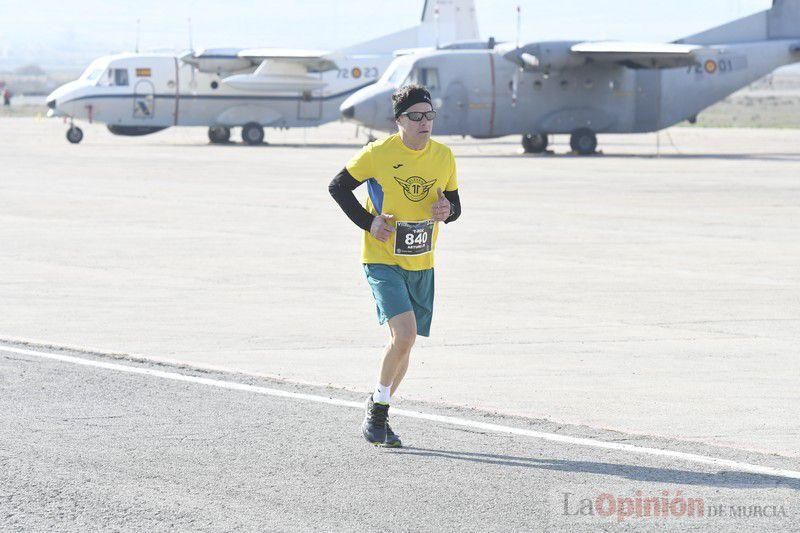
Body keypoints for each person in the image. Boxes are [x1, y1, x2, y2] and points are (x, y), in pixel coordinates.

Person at [328, 84, 461, 447]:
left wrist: (447, 212)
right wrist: (369, 222)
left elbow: (454, 206)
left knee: (405, 343)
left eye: (429, 115)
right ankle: (377, 414)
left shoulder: (444, 156)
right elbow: (338, 186)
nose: (424, 123)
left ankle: (379, 405)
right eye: (416, 116)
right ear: (399, 120)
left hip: (421, 261)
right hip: (382, 259)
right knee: (404, 335)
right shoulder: (378, 153)